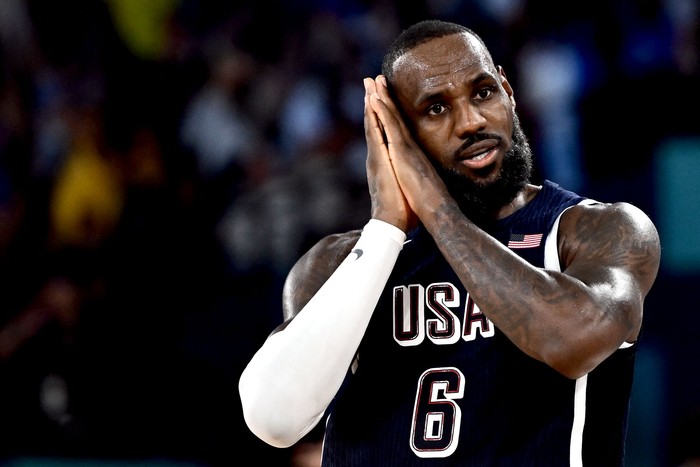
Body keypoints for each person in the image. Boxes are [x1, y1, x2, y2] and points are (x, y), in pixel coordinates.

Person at [238, 19, 661, 466]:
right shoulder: (338, 263)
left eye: (483, 92)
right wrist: (385, 229)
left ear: (508, 92)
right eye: (436, 109)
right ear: (395, 134)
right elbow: (275, 421)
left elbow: (575, 343)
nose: (472, 121)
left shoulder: (594, 231)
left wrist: (437, 209)